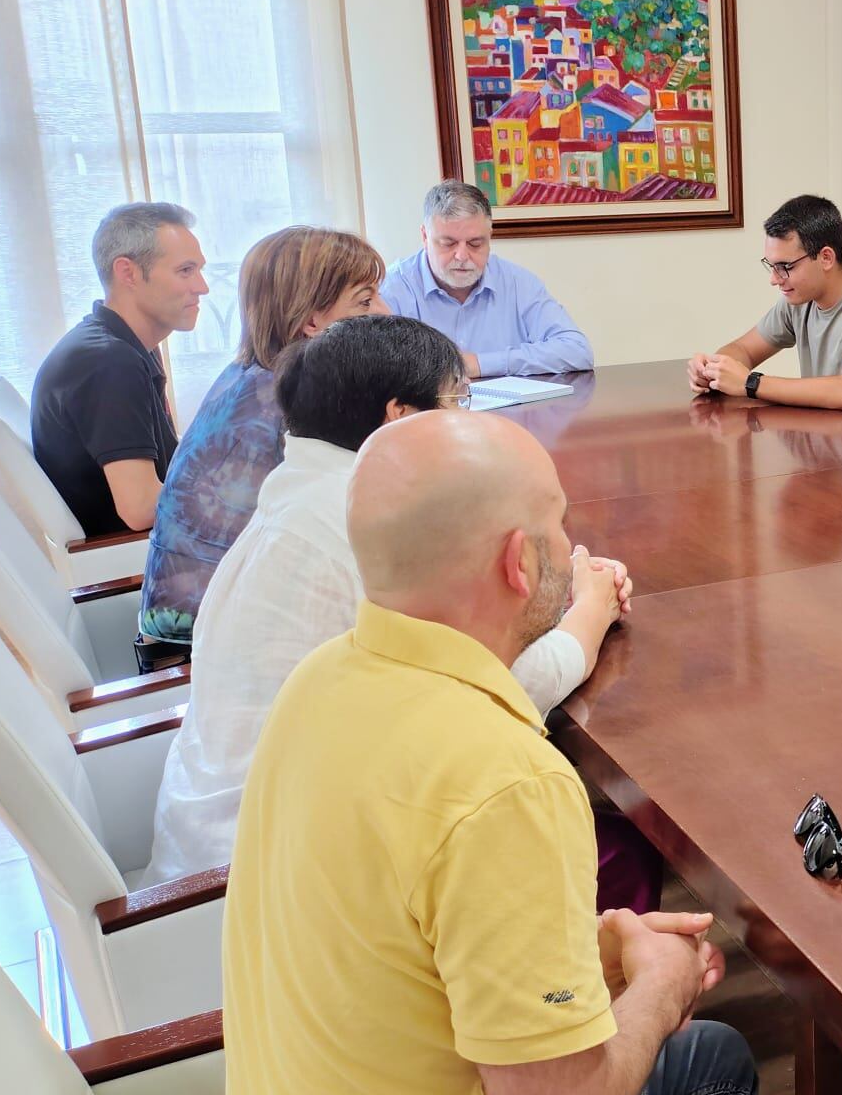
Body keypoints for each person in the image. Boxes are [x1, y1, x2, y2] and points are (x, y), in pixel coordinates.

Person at [222, 407, 842, 1095]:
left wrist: (584, 948)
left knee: (716, 1068)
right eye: (558, 523)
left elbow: (405, 936)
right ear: (519, 562)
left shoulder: (320, 685)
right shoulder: (503, 777)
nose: (572, 544)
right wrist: (659, 987)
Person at [140, 314, 638, 895]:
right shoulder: (368, 528)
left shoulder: (301, 496)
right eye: (459, 401)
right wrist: (589, 614)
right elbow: (498, 692)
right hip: (275, 874)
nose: (469, 420)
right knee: (613, 848)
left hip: (222, 840)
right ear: (400, 417)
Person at [137, 226, 389, 653]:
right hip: (209, 645)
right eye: (365, 301)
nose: (385, 312)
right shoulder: (292, 403)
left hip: (202, 618)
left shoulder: (249, 375)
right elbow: (357, 515)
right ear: (311, 321)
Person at [29, 201, 208, 535]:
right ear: (128, 273)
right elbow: (140, 509)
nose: (202, 287)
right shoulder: (109, 363)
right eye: (185, 271)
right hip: (139, 551)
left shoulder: (124, 346)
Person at [688, 193, 842, 410]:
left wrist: (751, 383)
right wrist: (713, 370)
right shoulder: (799, 301)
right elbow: (743, 350)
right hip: (828, 432)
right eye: (771, 266)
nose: (774, 279)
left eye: (785, 267)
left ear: (826, 258)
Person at [382, 179, 593, 376]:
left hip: (508, 404)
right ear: (425, 237)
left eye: (475, 244)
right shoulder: (394, 287)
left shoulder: (517, 283)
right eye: (448, 243)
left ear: (490, 237)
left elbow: (577, 351)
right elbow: (379, 368)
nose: (462, 256)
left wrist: (482, 363)